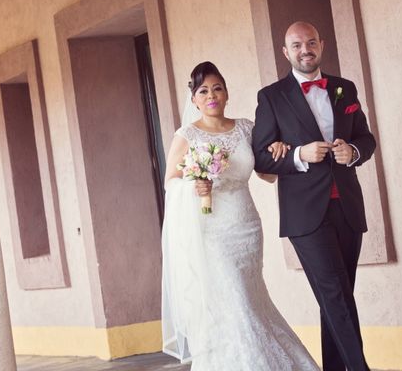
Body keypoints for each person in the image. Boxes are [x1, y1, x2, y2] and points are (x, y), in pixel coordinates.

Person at [161, 61, 320, 371]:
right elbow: (170, 181)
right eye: (204, 90)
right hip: (212, 231)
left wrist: (277, 150)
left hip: (246, 226)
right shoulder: (187, 135)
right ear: (194, 98)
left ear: (227, 93)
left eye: (217, 88)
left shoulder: (247, 127)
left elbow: (267, 176)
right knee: (236, 304)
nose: (211, 95)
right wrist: (194, 185)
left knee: (253, 298)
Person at [252, 21, 377, 371]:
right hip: (306, 215)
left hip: (348, 208)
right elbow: (260, 156)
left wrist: (352, 151)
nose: (305, 50)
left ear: (321, 45)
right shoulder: (272, 97)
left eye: (310, 43)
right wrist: (298, 156)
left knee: (336, 298)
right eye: (296, 45)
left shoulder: (344, 88)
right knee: (336, 296)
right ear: (285, 52)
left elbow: (366, 139)